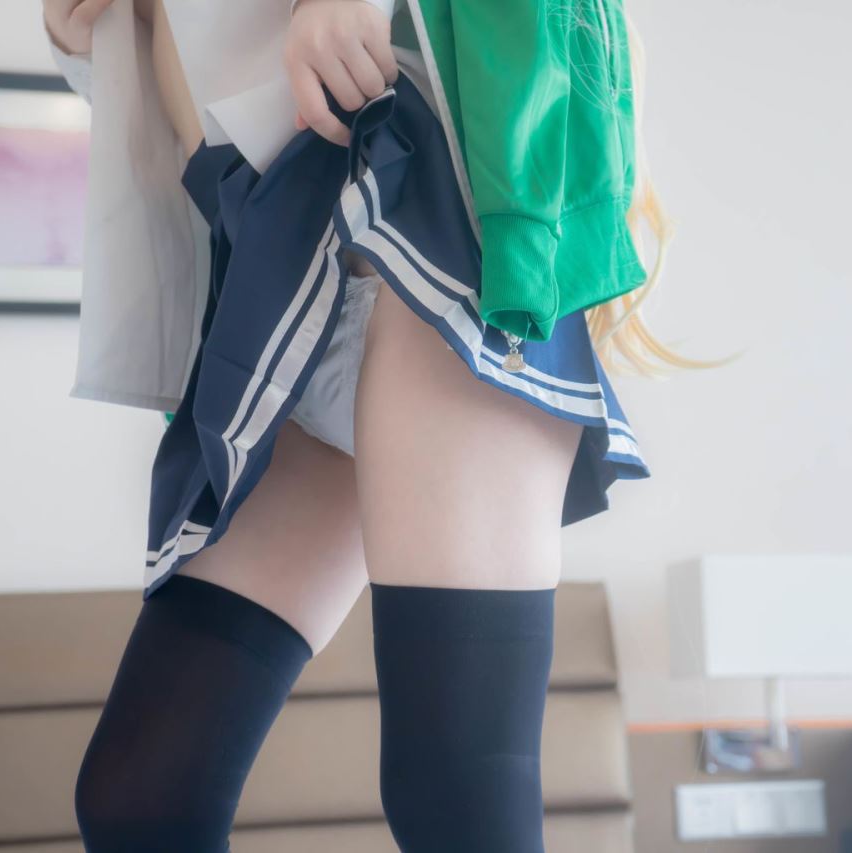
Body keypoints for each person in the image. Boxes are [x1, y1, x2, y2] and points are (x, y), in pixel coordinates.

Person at [42, 0, 680, 849]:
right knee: (140, 794)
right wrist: (81, 38)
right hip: (275, 269)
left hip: (419, 216)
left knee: (454, 788)